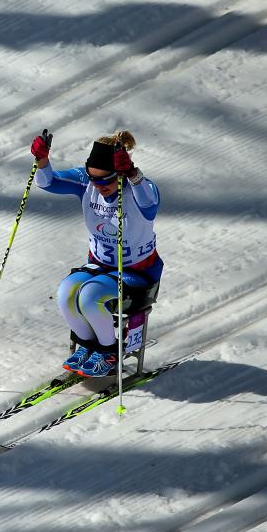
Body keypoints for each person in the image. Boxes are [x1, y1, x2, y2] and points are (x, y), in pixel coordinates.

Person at [30, 130, 162, 378]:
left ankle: (109, 352)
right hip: (100, 266)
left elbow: (150, 205)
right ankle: (89, 347)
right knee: (66, 293)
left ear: (119, 174)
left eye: (106, 181)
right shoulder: (87, 181)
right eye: (93, 179)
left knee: (90, 296)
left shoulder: (139, 189)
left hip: (137, 271)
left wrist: (132, 173)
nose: (99, 186)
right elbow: (47, 182)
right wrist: (42, 160)